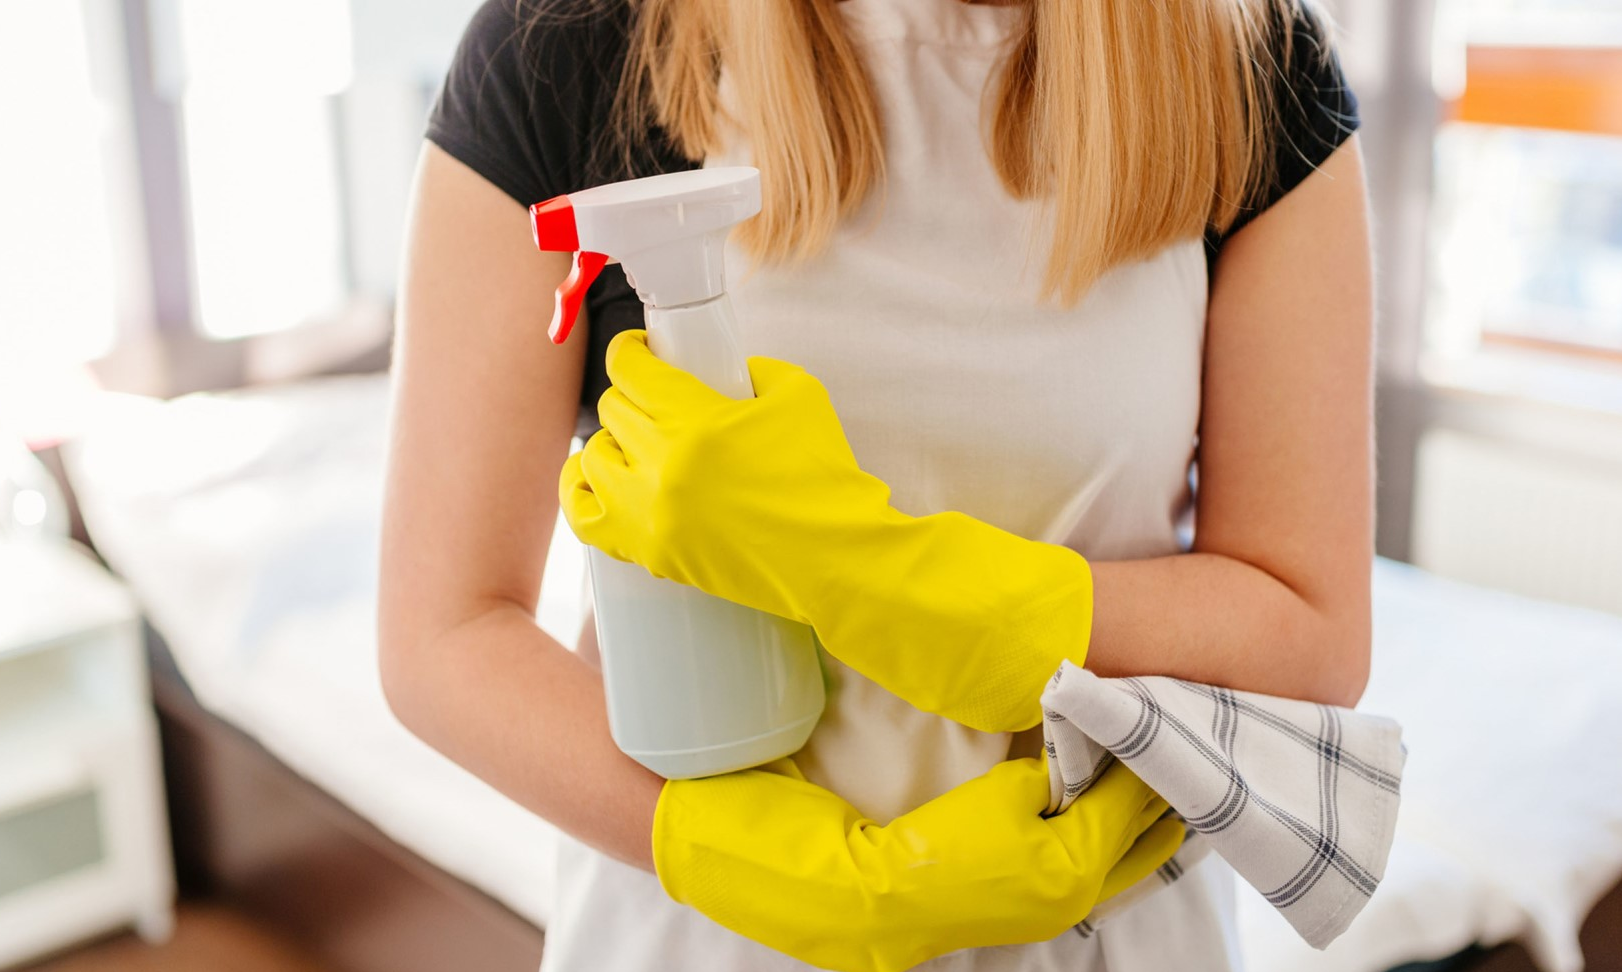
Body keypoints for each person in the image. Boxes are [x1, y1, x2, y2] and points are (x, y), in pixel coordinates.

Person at [378, 0, 1373, 968]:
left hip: (1104, 938)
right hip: (703, 946)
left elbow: (1310, 627)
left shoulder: (1248, 59)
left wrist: (903, 586)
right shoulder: (577, 38)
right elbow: (445, 630)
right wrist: (765, 865)